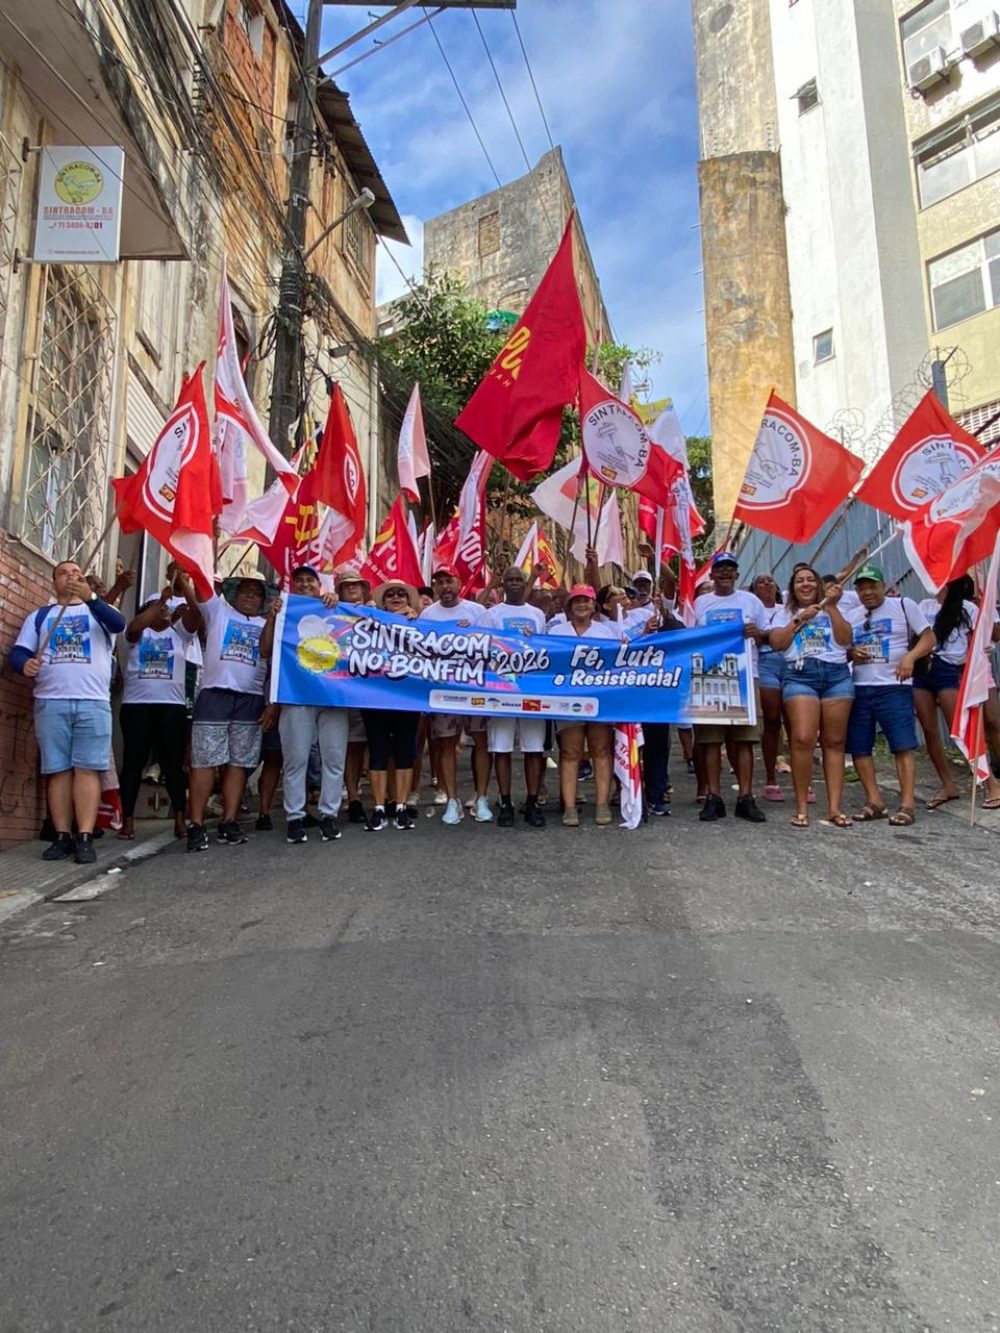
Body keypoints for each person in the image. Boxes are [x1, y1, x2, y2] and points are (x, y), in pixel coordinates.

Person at [11, 560, 127, 864]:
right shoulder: (41, 616)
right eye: (64, 573)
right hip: (52, 701)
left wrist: (91, 597)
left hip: (92, 702)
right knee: (57, 770)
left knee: (87, 770)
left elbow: (118, 626)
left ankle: (85, 837)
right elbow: (19, 651)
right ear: (54, 582)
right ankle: (62, 835)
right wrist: (24, 664)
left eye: (76, 573)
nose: (71, 577)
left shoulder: (101, 612)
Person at [260, 564, 348, 845]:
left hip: (332, 697)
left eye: (311, 580)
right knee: (295, 759)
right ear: (293, 586)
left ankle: (329, 814)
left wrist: (339, 603)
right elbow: (264, 651)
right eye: (300, 581)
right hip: (296, 695)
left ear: (319, 585)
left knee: (334, 758)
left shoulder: (333, 607)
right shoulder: (284, 611)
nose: (306, 585)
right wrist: (273, 619)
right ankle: (295, 817)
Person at [186, 573, 274, 851]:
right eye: (244, 591)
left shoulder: (268, 622)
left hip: (250, 699)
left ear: (263, 599)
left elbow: (270, 657)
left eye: (256, 593)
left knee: (239, 763)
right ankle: (196, 824)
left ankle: (229, 820)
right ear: (234, 595)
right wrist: (184, 572)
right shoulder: (218, 612)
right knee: (204, 761)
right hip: (215, 694)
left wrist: (271, 703)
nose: (250, 596)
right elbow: (199, 586)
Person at [845, 564, 935, 826]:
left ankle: (907, 805)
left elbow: (929, 638)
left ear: (883, 586)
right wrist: (852, 654)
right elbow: (844, 649)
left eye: (872, 586)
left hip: (894, 687)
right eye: (862, 588)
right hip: (860, 686)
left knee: (902, 745)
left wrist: (910, 656)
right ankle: (875, 801)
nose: (867, 592)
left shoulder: (904, 606)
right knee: (860, 747)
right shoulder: (852, 616)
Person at [769, 565, 855, 828]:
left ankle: (833, 808)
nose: (805, 584)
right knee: (803, 738)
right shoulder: (782, 612)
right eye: (799, 581)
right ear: (792, 588)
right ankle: (802, 807)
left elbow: (845, 639)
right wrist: (800, 619)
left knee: (835, 741)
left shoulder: (833, 608)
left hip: (836, 676)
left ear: (819, 584)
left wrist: (831, 607)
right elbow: (777, 643)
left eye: (810, 580)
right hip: (800, 675)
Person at [118, 573, 202, 841]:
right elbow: (134, 626)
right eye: (158, 609)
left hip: (171, 707)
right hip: (136, 706)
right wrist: (161, 601)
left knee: (173, 765)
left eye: (166, 609)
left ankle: (179, 818)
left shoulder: (180, 635)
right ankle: (128, 821)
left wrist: (184, 588)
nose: (164, 611)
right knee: (133, 762)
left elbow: (198, 614)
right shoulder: (136, 636)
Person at [693, 551, 768, 824]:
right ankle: (714, 797)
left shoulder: (751, 601)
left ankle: (745, 797)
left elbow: (766, 637)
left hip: (745, 678)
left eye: (730, 569)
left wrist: (757, 634)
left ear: (737, 574)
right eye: (720, 569)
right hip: (710, 678)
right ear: (712, 575)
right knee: (710, 741)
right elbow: (689, 639)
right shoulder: (700, 603)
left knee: (744, 740)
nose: (725, 573)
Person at [914, 575, 1000, 811]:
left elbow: (985, 638)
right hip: (923, 669)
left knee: (960, 729)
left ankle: (990, 783)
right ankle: (948, 785)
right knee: (930, 730)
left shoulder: (967, 607)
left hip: (950, 670)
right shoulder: (924, 606)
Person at [418, 563, 490, 826]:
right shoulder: (427, 614)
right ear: (434, 586)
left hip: (475, 689)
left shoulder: (478, 612)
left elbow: (494, 644)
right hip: (443, 692)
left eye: (449, 581)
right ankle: (452, 800)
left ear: (459, 584)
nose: (445, 587)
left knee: (481, 742)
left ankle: (480, 797)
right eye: (439, 582)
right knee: (446, 745)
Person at [548, 584, 621, 827]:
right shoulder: (557, 631)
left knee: (601, 749)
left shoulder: (606, 632)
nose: (582, 604)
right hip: (567, 700)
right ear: (569, 606)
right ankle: (569, 806)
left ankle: (601, 804)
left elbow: (619, 662)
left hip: (600, 699)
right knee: (570, 752)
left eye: (586, 600)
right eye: (577, 600)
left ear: (594, 606)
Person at [482, 565, 548, 827]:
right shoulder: (491, 615)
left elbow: (546, 650)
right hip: (501, 691)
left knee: (534, 750)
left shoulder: (538, 615)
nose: (514, 584)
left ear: (526, 583)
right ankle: (506, 801)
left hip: (532, 690)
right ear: (503, 585)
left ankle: (532, 802)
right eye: (509, 580)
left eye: (519, 579)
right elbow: (478, 646)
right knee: (502, 749)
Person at [362, 578, 422, 831]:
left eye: (401, 594)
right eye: (390, 595)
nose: (396, 598)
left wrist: (417, 622)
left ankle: (400, 807)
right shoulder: (369, 622)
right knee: (378, 753)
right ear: (382, 601)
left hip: (407, 699)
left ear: (408, 600)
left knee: (404, 754)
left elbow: (441, 645)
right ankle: (378, 807)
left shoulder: (419, 625)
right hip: (375, 698)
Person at [333, 567, 372, 822]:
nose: (352, 589)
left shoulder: (374, 614)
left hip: (364, 691)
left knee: (356, 746)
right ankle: (333, 798)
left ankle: (354, 796)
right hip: (333, 691)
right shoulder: (329, 610)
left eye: (356, 585)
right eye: (347, 586)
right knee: (335, 747)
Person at [751, 572, 788, 803]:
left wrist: (767, 635)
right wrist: (773, 636)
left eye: (770, 580)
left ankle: (801, 779)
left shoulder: (787, 609)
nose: (766, 583)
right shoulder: (752, 610)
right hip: (765, 663)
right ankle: (771, 778)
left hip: (792, 663)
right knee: (772, 720)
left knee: (794, 721)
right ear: (754, 590)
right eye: (760, 582)